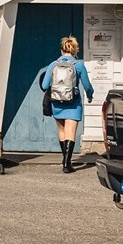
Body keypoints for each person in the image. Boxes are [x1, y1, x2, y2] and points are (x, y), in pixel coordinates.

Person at [40, 35, 95, 173]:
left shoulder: (53, 64)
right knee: (70, 133)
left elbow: (45, 85)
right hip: (73, 103)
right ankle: (67, 164)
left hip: (57, 103)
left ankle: (65, 160)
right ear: (75, 50)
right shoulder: (79, 65)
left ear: (61, 50)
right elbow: (87, 86)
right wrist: (90, 95)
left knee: (62, 131)